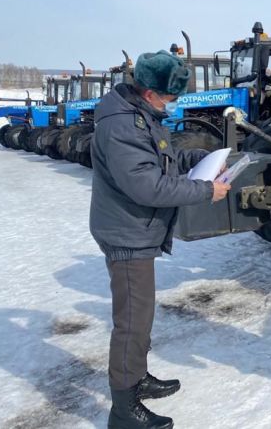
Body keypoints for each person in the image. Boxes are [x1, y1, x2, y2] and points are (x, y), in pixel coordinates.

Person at [90, 50, 231, 429]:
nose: (175, 103)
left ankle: (136, 378)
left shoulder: (142, 117)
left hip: (137, 229)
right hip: (127, 231)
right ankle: (123, 410)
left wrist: (201, 158)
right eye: (171, 97)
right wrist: (205, 191)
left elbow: (160, 159)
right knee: (131, 323)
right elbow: (146, 185)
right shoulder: (123, 126)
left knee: (141, 315)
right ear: (150, 93)